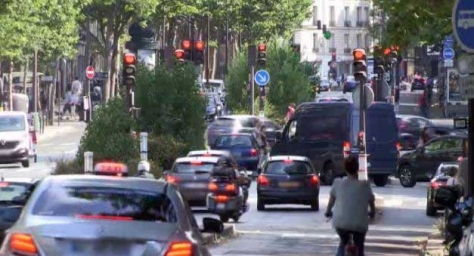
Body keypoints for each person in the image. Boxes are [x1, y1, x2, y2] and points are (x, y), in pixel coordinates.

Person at [325, 156, 376, 256]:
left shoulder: (337, 183)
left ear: (345, 168)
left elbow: (331, 202)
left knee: (343, 243)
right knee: (359, 246)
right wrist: (372, 213)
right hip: (360, 224)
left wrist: (328, 211)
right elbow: (371, 202)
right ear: (357, 169)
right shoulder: (365, 185)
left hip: (341, 224)